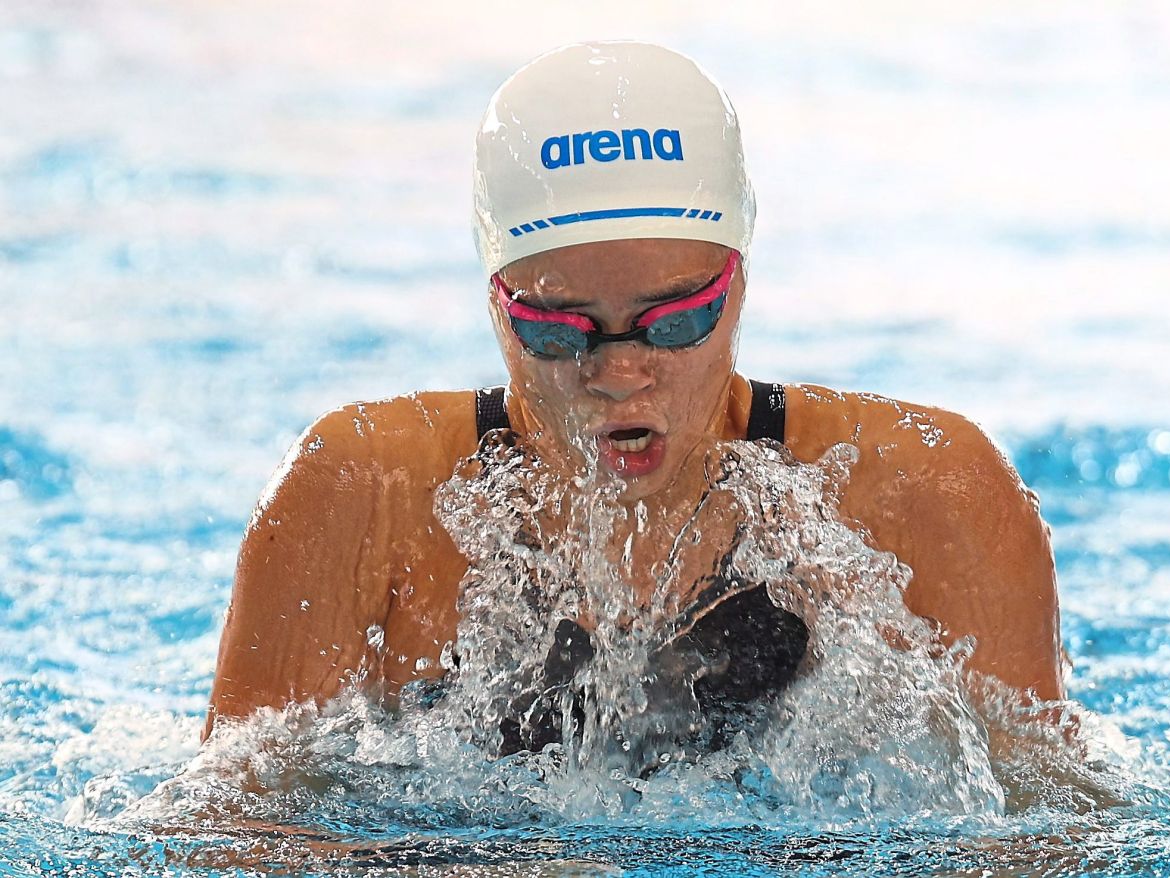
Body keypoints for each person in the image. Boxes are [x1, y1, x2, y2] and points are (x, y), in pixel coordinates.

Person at [203, 41, 1064, 743]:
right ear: (496, 300)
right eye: (557, 329)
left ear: (739, 278)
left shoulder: (924, 492)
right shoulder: (366, 495)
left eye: (675, 321)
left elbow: (1049, 830)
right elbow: (239, 834)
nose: (617, 372)